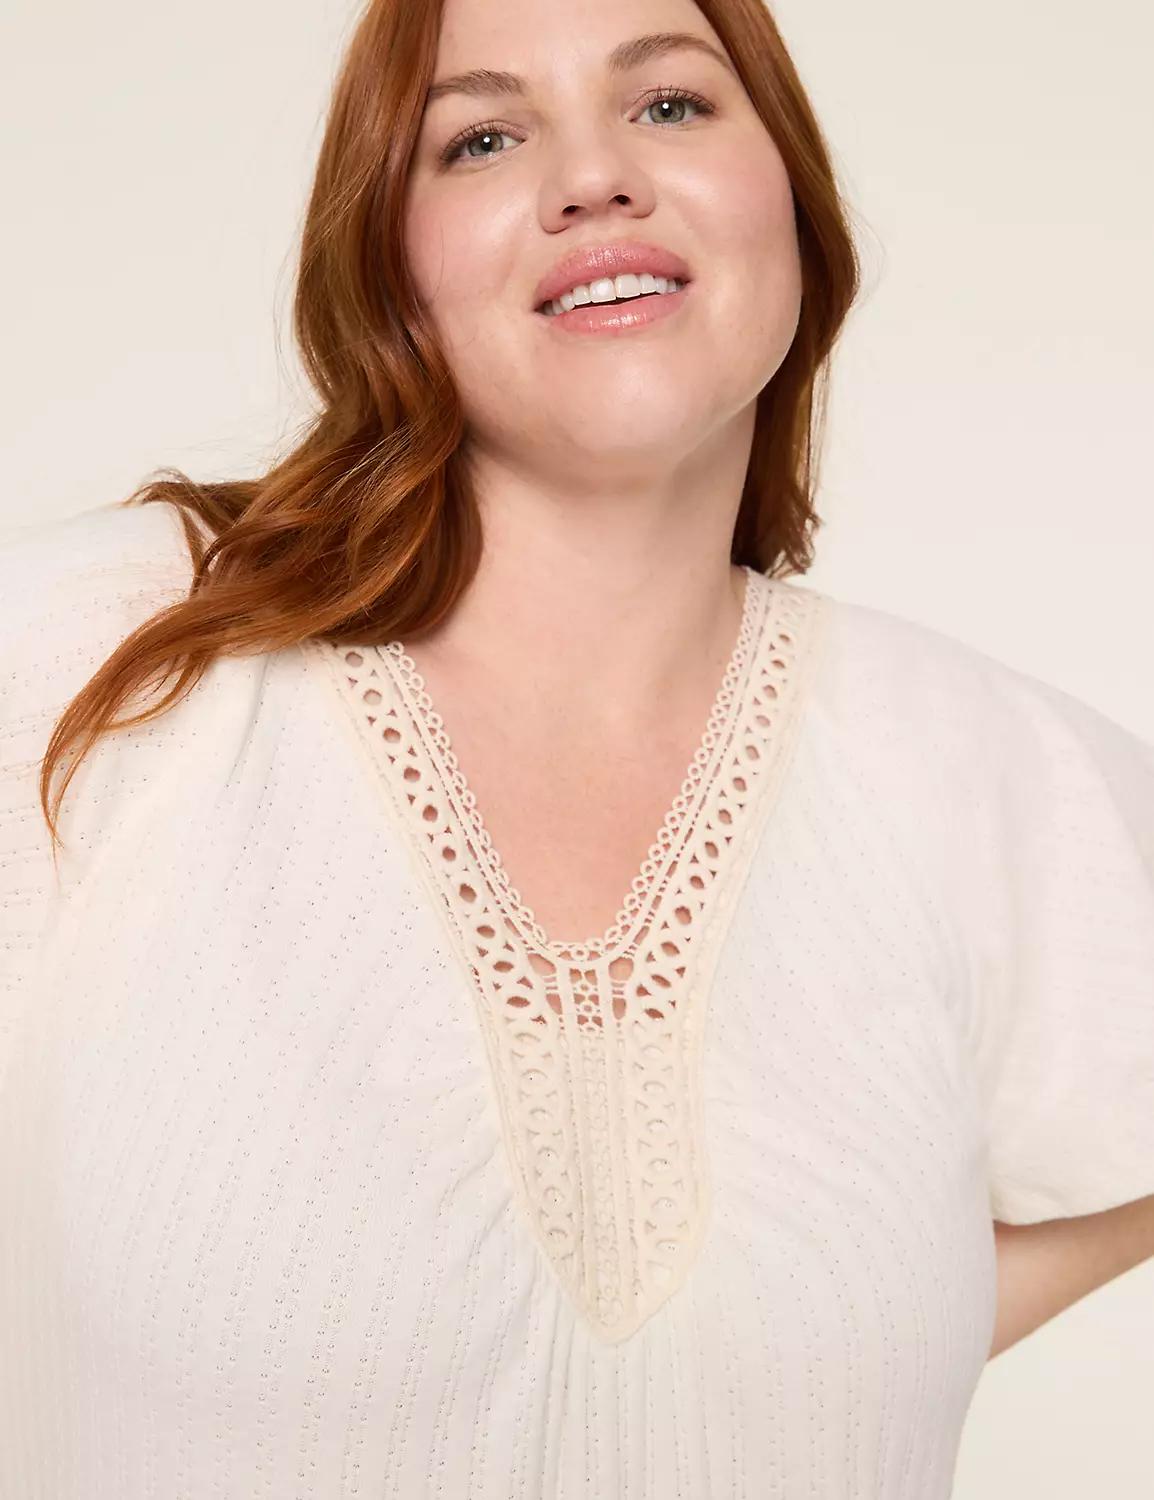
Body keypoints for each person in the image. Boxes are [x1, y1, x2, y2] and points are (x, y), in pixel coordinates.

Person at [2, 0, 1152, 1495]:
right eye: (481, 138)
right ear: (389, 271)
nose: (593, 176)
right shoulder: (112, 661)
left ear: (792, 200)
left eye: (671, 106)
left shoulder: (978, 768)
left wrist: (871, 1337)